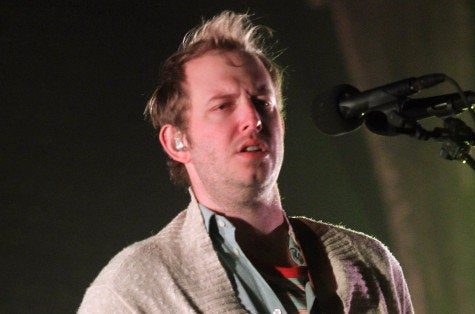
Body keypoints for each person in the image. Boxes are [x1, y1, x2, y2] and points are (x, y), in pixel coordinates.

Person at [79, 11, 413, 313]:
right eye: (223, 106)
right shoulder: (131, 290)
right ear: (177, 142)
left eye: (263, 102)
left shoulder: (371, 262)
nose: (252, 119)